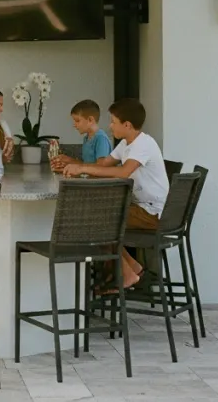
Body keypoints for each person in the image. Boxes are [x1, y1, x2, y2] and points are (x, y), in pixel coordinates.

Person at [62, 98, 169, 293]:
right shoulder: (126, 144)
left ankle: (126, 273)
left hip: (152, 213)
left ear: (127, 125)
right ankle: (131, 268)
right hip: (141, 208)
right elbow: (104, 165)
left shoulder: (143, 144)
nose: (110, 126)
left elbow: (123, 172)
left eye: (113, 122)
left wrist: (81, 168)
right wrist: (76, 165)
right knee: (97, 218)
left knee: (99, 221)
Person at [50, 99, 113, 170]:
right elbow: (86, 165)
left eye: (77, 121)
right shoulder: (86, 139)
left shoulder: (101, 139)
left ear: (90, 120)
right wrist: (68, 165)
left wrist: (71, 161)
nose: (74, 125)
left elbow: (101, 167)